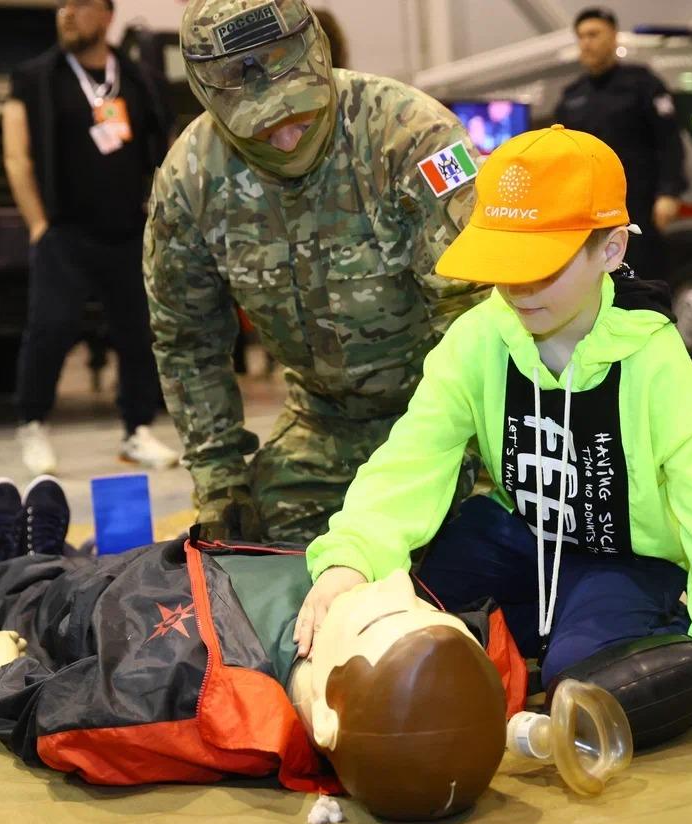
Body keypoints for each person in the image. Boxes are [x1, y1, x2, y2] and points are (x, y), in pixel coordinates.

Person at [299, 127, 692, 747]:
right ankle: (547, 628)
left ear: (608, 250)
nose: (518, 289)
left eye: (541, 267)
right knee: (412, 610)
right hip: (523, 534)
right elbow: (411, 462)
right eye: (504, 265)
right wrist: (349, 562)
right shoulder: (477, 340)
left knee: (580, 688)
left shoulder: (655, 362)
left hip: (623, 555)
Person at [0, 477, 519, 820]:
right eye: (424, 608)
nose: (398, 584)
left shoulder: (185, 700)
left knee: (43, 597)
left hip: (121, 608)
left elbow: (59, 725)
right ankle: (45, 558)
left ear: (327, 717)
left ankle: (2, 574)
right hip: (217, 559)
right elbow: (490, 665)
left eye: (383, 616)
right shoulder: (466, 670)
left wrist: (3, 674)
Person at [143, 0, 487, 543]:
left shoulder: (411, 135)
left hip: (450, 423)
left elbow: (477, 314)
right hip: (324, 426)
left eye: (298, 116)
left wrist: (488, 464)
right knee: (256, 567)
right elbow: (188, 343)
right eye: (259, 128)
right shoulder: (190, 181)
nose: (284, 139)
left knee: (472, 567)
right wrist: (220, 483)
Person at [3, 0, 179, 475]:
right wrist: (38, 224)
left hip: (126, 230)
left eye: (78, 5)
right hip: (64, 231)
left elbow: (160, 147)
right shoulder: (36, 77)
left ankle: (137, 429)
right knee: (50, 329)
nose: (65, 13)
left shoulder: (137, 78)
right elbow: (16, 156)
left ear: (105, 14)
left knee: (136, 331)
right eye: (61, 6)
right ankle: (34, 422)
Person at [554, 7, 686, 281]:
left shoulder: (643, 84)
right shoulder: (572, 95)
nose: (586, 43)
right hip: (588, 210)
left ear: (613, 37)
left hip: (639, 205)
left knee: (643, 280)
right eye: (581, 36)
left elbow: (669, 140)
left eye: (593, 34)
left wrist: (669, 193)